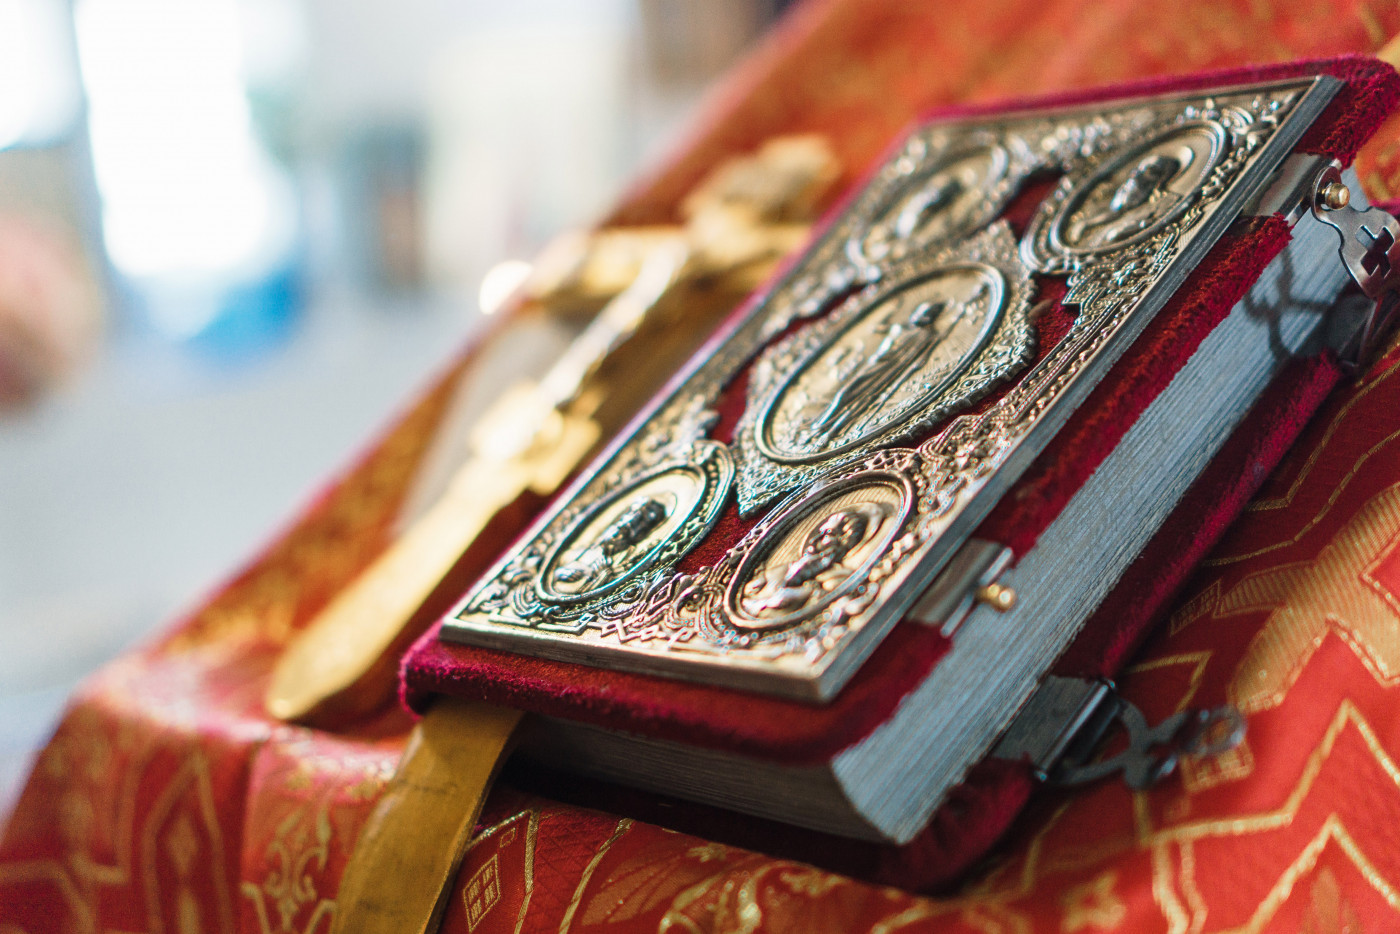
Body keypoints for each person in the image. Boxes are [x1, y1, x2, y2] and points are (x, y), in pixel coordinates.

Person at [1065, 151, 1184, 248]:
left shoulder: (1156, 210)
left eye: (1149, 172)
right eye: (1138, 169)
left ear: (1158, 183)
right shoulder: (1098, 212)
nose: (1134, 176)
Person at [552, 497, 669, 594]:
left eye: (624, 532)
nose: (615, 534)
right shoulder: (574, 552)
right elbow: (557, 579)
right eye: (618, 526)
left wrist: (601, 576)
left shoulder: (623, 563)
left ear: (639, 535)